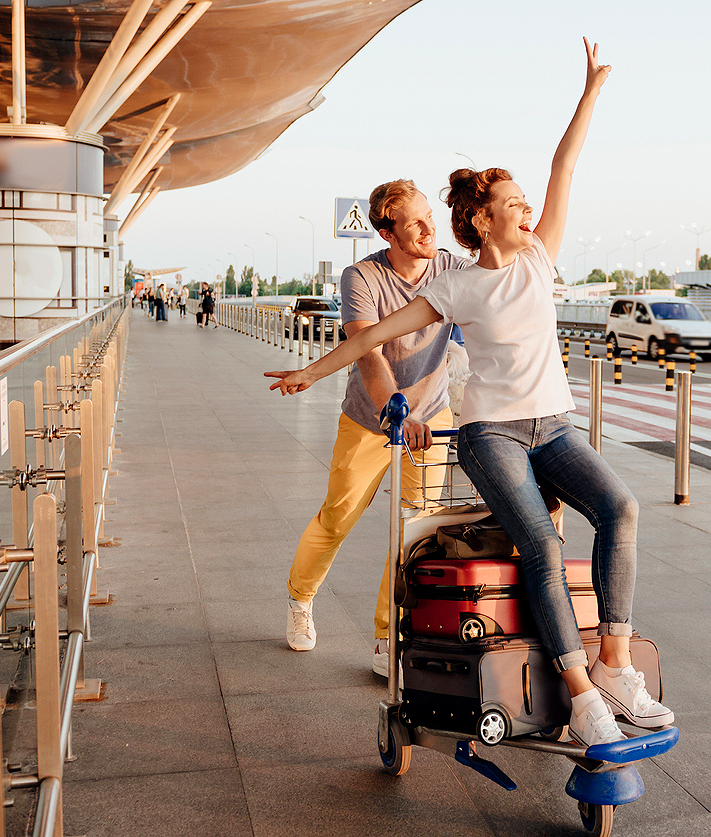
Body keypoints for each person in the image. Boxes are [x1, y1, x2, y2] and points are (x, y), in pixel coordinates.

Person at [267, 39, 672, 747]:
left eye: (524, 204)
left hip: (548, 423)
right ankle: (580, 697)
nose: (526, 211)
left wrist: (590, 95)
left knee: (621, 507)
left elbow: (564, 164)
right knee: (533, 544)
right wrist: (311, 371)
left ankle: (613, 663)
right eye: (512, 205)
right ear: (482, 220)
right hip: (479, 430)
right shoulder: (447, 283)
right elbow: (371, 341)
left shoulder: (539, 255)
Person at [267, 180, 468, 674]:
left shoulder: (451, 268)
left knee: (414, 529)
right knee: (338, 517)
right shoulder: (363, 277)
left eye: (429, 217)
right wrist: (398, 412)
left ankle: (387, 635)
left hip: (432, 418)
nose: (428, 228)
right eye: (414, 222)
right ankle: (300, 597)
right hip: (372, 419)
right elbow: (369, 355)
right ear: (386, 231)